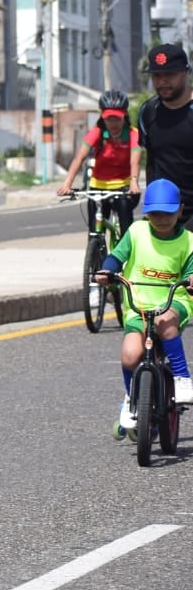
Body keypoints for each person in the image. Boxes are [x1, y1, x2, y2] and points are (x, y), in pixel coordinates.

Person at [95, 177, 193, 437]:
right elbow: (117, 256)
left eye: (168, 213)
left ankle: (182, 378)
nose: (162, 219)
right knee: (129, 355)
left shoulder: (188, 241)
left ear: (180, 210)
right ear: (146, 213)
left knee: (164, 324)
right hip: (139, 305)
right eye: (155, 214)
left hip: (174, 302)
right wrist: (108, 270)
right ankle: (132, 400)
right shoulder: (137, 232)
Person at [57, 89, 140, 233]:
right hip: (98, 187)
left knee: (127, 230)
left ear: (124, 116)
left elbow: (135, 161)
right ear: (102, 117)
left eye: (117, 119)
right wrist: (67, 183)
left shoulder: (133, 134)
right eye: (109, 119)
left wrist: (133, 182)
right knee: (95, 231)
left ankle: (127, 252)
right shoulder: (97, 132)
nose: (113, 123)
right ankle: (94, 251)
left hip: (124, 187)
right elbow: (79, 157)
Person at [133, 43, 193, 228]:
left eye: (170, 75)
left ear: (185, 72)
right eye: (157, 76)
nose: (162, 81)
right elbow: (151, 160)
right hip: (162, 213)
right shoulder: (148, 111)